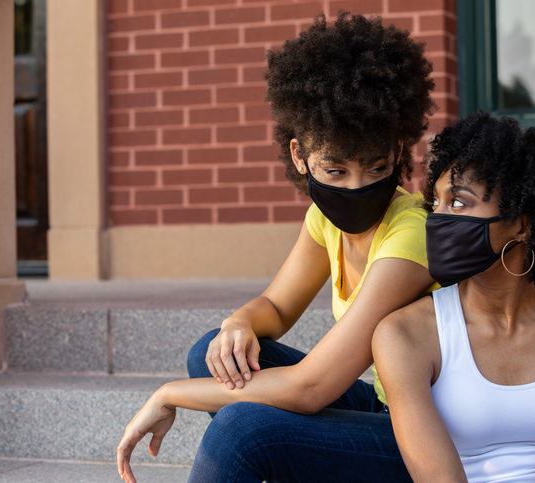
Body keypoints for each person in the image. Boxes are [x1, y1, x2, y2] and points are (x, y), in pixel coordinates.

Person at [117, 12, 438, 483]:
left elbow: (310, 389)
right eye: (334, 170)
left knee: (241, 430)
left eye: (376, 167)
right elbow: (275, 306)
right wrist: (240, 323)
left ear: (398, 152)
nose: (357, 187)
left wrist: (169, 394)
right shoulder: (324, 220)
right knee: (216, 352)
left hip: (426, 436)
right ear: (299, 156)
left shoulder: (411, 233)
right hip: (384, 404)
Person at [372, 111, 535, 483]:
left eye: (459, 203)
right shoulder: (405, 334)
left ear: (523, 222)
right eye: (436, 203)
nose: (437, 220)